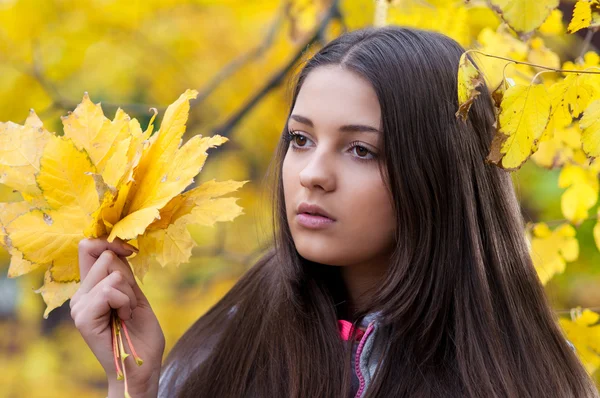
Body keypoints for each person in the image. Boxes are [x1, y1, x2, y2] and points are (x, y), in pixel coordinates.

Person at [70, 26, 599, 398]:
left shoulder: (524, 378)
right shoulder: (234, 338)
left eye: (360, 150)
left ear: (438, 174)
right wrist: (133, 385)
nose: (312, 174)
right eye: (301, 139)